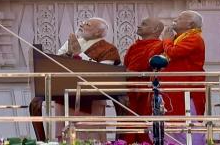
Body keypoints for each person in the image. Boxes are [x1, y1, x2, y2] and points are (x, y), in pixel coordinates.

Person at [28, 17, 121, 140]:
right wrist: (68, 53)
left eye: (87, 24)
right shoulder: (74, 42)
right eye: (83, 22)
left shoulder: (109, 49)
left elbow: (102, 72)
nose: (82, 24)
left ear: (98, 32)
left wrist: (79, 54)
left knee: (88, 138)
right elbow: (56, 61)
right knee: (65, 137)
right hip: (64, 94)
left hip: (91, 97)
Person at [149, 10, 207, 145]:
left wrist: (167, 40)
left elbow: (174, 52)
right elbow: (153, 54)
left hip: (186, 89)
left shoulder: (195, 38)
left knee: (187, 127)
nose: (175, 19)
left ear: (190, 24)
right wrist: (166, 40)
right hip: (170, 89)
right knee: (166, 127)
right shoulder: (175, 39)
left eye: (180, 18)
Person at [119, 16, 167, 144]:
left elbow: (148, 65)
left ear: (155, 29)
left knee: (144, 127)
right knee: (130, 127)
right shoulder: (134, 46)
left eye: (144, 24)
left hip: (146, 93)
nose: (139, 26)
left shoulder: (159, 46)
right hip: (130, 91)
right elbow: (126, 66)